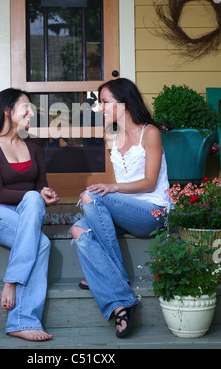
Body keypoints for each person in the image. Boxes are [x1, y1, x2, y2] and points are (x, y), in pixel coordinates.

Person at [70, 78, 170, 338]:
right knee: (77, 231)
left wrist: (112, 188)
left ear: (124, 103)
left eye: (105, 102)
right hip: (125, 211)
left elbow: (149, 183)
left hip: (151, 212)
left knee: (89, 196)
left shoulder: (150, 133)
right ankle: (120, 300)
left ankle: (109, 277)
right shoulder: (113, 134)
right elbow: (121, 184)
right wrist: (112, 190)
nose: (100, 107)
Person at [0, 88, 59, 341]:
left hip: (26, 213)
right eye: (26, 107)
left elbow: (39, 185)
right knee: (41, 239)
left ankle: (20, 322)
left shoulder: (33, 144)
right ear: (7, 111)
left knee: (41, 235)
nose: (31, 113)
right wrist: (34, 196)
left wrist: (46, 195)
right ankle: (12, 284)